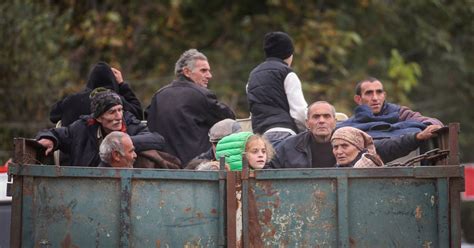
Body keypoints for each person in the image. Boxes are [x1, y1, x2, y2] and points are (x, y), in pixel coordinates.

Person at [269, 101, 441, 169]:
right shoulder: (289, 146)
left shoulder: (350, 139)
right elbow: (268, 169)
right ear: (307, 123)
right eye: (316, 117)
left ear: (335, 122)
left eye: (326, 116)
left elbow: (385, 147)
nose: (321, 121)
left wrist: (417, 137)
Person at [146, 49, 235, 166]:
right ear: (187, 72)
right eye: (203, 70)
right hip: (195, 169)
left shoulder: (158, 96)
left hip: (162, 169)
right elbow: (229, 120)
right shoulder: (201, 95)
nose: (209, 75)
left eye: (209, 71)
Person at [36, 88, 165, 167]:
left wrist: (123, 143)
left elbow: (157, 139)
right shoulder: (82, 128)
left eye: (120, 110)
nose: (119, 116)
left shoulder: (130, 125)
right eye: (112, 112)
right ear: (98, 118)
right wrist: (50, 139)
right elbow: (58, 134)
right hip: (85, 186)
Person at [246, 31, 308, 147]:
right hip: (285, 133)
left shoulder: (252, 75)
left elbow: (252, 110)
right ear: (289, 54)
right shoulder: (287, 73)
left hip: (260, 137)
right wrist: (304, 133)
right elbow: (299, 112)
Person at [337, 77, 443, 138]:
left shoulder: (400, 113)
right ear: (358, 99)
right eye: (369, 93)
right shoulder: (352, 124)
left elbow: (431, 122)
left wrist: (430, 126)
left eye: (379, 92)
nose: (375, 98)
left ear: (384, 96)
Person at [50, 61, 143, 126]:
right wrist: (122, 85)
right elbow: (138, 115)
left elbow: (53, 116)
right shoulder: (116, 101)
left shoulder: (72, 100)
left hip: (72, 152)